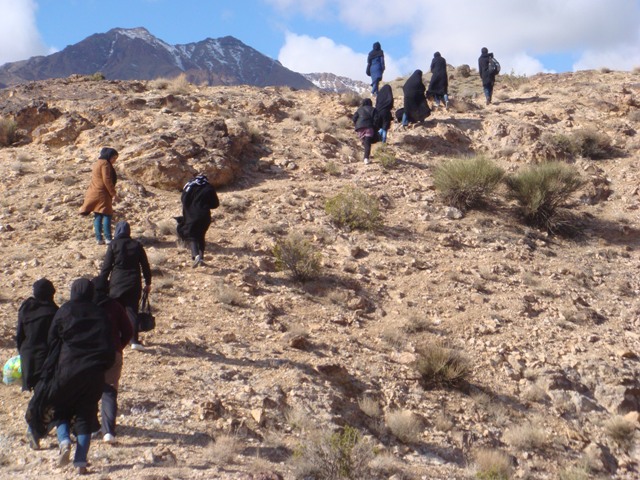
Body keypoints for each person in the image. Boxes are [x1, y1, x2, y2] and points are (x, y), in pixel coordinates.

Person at [26, 278, 115, 475]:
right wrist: (102, 367)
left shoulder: (65, 310)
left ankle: (64, 441)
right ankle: (81, 462)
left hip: (67, 371)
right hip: (94, 374)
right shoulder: (101, 314)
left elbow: (52, 339)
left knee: (60, 409)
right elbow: (110, 346)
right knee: (85, 414)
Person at [92, 276, 132, 443]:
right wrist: (119, 347)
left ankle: (92, 426)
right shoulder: (115, 306)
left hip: (90, 355)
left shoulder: (87, 306)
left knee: (90, 391)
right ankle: (108, 431)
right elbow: (128, 331)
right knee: (109, 391)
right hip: (113, 353)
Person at [100, 221, 151, 350]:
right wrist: (148, 282)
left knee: (114, 311)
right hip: (133, 283)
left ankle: (114, 338)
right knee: (132, 311)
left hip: (116, 283)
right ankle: (134, 341)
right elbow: (145, 266)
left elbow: (106, 266)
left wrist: (101, 282)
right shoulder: (137, 245)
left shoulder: (113, 245)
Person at [16, 279, 59, 392]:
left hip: (27, 354)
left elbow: (19, 334)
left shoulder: (26, 308)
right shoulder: (54, 312)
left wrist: (22, 351)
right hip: (44, 356)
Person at [177, 174, 220, 267]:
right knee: (201, 236)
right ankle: (201, 258)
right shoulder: (209, 187)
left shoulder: (188, 187)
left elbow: (183, 200)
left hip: (191, 216)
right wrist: (204, 204)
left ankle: (196, 256)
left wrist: (190, 206)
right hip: (205, 216)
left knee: (192, 235)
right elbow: (215, 204)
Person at [79, 147, 119, 245]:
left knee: (98, 215)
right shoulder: (105, 164)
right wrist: (113, 193)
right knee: (107, 214)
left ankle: (99, 239)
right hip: (102, 193)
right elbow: (107, 179)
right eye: (114, 158)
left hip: (94, 192)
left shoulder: (97, 163)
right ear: (109, 156)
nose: (114, 160)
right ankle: (108, 238)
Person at [352, 98, 379, 165]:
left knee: (365, 142)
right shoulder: (373, 109)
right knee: (367, 143)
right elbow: (376, 119)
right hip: (369, 127)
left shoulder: (359, 109)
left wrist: (357, 124)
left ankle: (364, 155)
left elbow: (354, 118)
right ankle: (366, 158)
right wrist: (375, 127)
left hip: (360, 127)